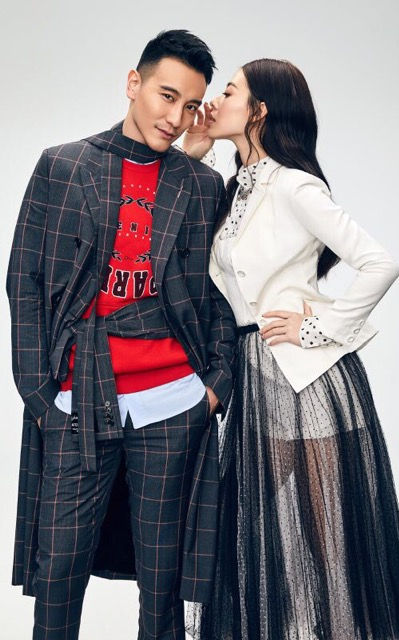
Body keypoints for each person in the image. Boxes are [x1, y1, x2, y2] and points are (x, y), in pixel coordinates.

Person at [183, 59, 399, 639]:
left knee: (327, 544)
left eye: (230, 91)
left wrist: (317, 327)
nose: (216, 100)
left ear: (259, 110)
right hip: (252, 377)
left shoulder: (294, 185)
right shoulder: (234, 189)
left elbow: (380, 263)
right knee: (259, 537)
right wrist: (193, 153)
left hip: (308, 381)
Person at [6, 29, 236, 640]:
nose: (175, 117)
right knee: (58, 573)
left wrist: (214, 387)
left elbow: (218, 294)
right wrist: (39, 396)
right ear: (133, 84)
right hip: (78, 402)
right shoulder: (64, 165)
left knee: (162, 585)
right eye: (167, 95)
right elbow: (24, 279)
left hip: (172, 403)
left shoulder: (199, 184)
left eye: (191, 105)